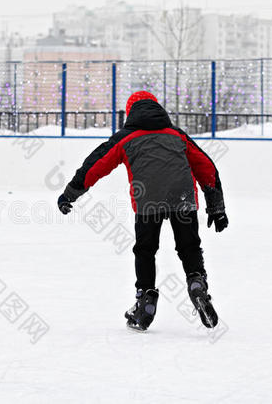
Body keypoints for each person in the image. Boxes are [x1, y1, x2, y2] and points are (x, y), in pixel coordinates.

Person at [57, 91, 228, 331]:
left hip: (148, 199)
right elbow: (206, 166)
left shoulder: (126, 138)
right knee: (189, 247)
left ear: (130, 113)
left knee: (145, 250)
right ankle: (197, 284)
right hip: (182, 197)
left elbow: (95, 165)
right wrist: (216, 207)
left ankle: (145, 301)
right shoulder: (176, 135)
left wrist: (70, 194)